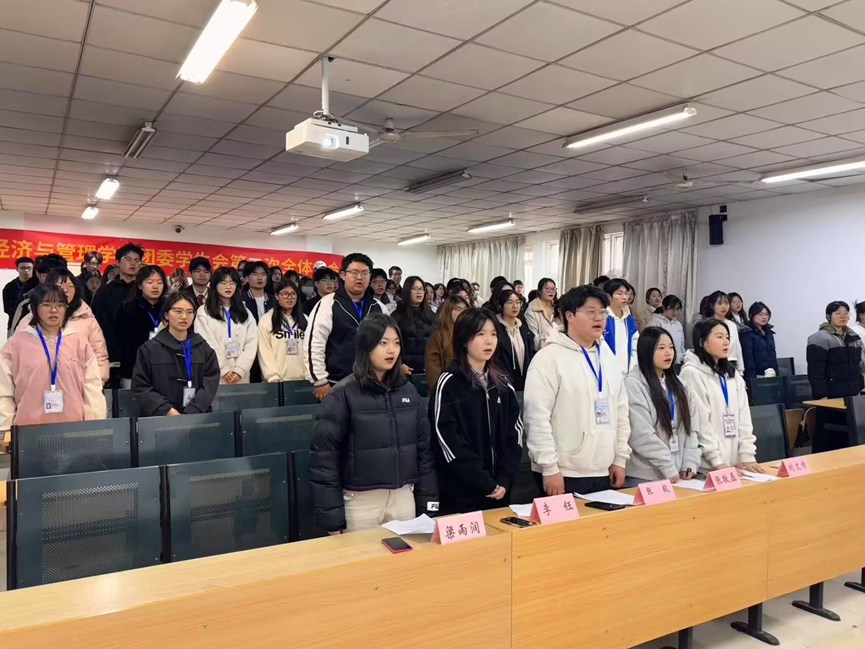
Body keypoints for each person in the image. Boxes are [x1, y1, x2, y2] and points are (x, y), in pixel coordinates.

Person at [310, 313, 438, 534]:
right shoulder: (342, 395)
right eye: (383, 343)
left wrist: (429, 503)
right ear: (366, 346)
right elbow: (324, 461)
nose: (391, 350)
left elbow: (424, 453)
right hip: (360, 502)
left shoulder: (409, 393)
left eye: (396, 343)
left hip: (403, 497)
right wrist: (332, 519)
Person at [524, 285, 631, 495]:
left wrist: (620, 458)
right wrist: (549, 467)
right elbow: (536, 417)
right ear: (570, 316)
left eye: (602, 312)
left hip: (603, 467)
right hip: (563, 471)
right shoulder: (548, 358)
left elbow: (621, 409)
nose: (598, 318)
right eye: (590, 311)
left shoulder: (607, 356)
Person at [430, 308, 522, 515]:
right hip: (462, 494)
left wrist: (504, 479)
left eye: (493, 334)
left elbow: (515, 433)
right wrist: (484, 482)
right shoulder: (449, 383)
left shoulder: (502, 383)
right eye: (480, 334)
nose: (489, 341)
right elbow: (448, 441)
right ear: (464, 339)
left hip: (501, 492)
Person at [0, 284, 106, 436]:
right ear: (34, 308)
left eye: (60, 305)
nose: (54, 310)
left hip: (74, 429)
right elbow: (4, 391)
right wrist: (4, 428)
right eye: (46, 304)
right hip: (28, 431)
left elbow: (92, 388)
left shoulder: (79, 342)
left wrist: (95, 424)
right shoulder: (16, 344)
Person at [680, 319, 761, 473]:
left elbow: (744, 417)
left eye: (727, 337)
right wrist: (716, 461)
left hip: (735, 465)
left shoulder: (732, 374)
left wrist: (747, 454)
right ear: (702, 341)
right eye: (719, 337)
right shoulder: (691, 373)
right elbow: (701, 422)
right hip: (707, 467)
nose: (726, 342)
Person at [625, 327, 701, 486]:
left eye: (671, 347)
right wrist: (668, 466)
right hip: (645, 476)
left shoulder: (680, 385)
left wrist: (690, 462)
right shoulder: (634, 384)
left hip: (678, 475)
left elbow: (692, 427)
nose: (668, 353)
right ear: (646, 351)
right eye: (661, 348)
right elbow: (641, 435)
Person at [305, 253, 386, 401]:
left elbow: (389, 342)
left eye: (365, 273)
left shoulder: (379, 307)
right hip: (336, 384)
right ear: (342, 275)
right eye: (354, 272)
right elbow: (314, 344)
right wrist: (319, 380)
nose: (360, 277)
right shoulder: (328, 304)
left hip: (374, 383)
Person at [131, 292, 220, 417]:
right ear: (166, 315)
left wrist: (194, 410)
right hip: (160, 418)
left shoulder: (203, 348)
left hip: (197, 417)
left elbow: (211, 382)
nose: (184, 316)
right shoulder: (149, 349)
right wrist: (167, 411)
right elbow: (140, 386)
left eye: (189, 312)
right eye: (178, 311)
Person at [16, 268, 109, 384]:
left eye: (70, 286)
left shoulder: (87, 319)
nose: (65, 290)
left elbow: (99, 355)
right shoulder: (31, 319)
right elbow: (16, 355)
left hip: (78, 386)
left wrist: (95, 384)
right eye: (60, 285)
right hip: (37, 385)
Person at [195, 268, 258, 385]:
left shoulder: (245, 312)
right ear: (215, 285)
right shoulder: (204, 311)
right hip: (214, 375)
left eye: (232, 283)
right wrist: (223, 368)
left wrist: (240, 370)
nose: (228, 287)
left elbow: (251, 343)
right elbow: (205, 342)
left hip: (241, 377)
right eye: (223, 283)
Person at [114, 265, 167, 389]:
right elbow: (119, 340)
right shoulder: (127, 308)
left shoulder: (169, 308)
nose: (155, 286)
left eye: (159, 282)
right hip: (133, 370)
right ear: (139, 285)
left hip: (164, 370)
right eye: (150, 282)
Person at [92, 243, 142, 362]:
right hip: (112, 351)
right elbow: (99, 322)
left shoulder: (144, 290)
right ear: (118, 262)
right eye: (128, 259)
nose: (133, 263)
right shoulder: (105, 292)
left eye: (137, 260)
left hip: (141, 350)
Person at [807, 301, 865, 400]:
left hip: (854, 392)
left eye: (846, 313)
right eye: (838, 313)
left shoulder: (853, 337)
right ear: (828, 317)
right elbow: (816, 371)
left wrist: (860, 386)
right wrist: (821, 395)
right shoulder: (819, 338)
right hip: (832, 394)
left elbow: (858, 364)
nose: (843, 316)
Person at [257, 278, 307, 383]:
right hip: (276, 380)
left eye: (293, 294)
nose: (289, 297)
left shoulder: (306, 319)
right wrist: (272, 376)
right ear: (276, 296)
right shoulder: (267, 319)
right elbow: (264, 350)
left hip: (304, 379)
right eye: (285, 294)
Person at [8, 253, 69, 333]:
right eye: (47, 276)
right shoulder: (28, 301)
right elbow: (17, 332)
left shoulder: (73, 299)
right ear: (38, 274)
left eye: (57, 277)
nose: (53, 281)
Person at [392, 276, 436, 375]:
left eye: (421, 289)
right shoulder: (397, 316)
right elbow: (392, 345)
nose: (419, 292)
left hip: (428, 370)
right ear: (407, 291)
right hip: (404, 371)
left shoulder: (432, 316)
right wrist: (399, 365)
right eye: (415, 289)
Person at [425, 294, 469, 390]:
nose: (463, 312)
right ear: (448, 311)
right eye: (458, 309)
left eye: (465, 309)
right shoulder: (438, 335)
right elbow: (433, 371)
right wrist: (443, 390)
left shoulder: (471, 334)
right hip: (447, 389)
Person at [494, 289, 535, 391]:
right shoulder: (495, 330)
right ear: (501, 306)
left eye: (518, 302)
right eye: (510, 302)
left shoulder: (524, 330)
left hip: (525, 384)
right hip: (504, 384)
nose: (515, 306)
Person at [700, 291, 743, 375]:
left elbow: (737, 347)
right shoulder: (706, 325)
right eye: (719, 303)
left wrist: (741, 370)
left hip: (732, 362)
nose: (724, 306)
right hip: (714, 363)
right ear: (712, 305)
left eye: (726, 303)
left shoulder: (732, 325)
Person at [603, 278, 639, 378]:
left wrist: (632, 369)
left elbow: (635, 345)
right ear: (608, 296)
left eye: (626, 293)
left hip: (627, 372)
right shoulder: (602, 318)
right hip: (607, 373)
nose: (624, 297)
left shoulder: (629, 319)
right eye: (619, 294)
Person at [741, 302, 778, 379]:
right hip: (757, 375)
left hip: (771, 373)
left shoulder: (769, 333)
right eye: (761, 314)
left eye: (766, 314)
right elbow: (748, 358)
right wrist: (752, 378)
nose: (764, 317)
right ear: (752, 315)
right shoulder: (747, 333)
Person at [525, 277, 561, 349]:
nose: (551, 291)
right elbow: (534, 337)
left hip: (559, 347)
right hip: (541, 349)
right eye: (547, 288)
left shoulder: (558, 307)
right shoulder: (532, 309)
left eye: (553, 289)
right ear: (539, 291)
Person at [648, 295, 686, 364]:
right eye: (672, 308)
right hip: (662, 361)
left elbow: (681, 346)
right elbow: (650, 344)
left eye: (677, 309)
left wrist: (683, 357)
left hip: (677, 361)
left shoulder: (678, 324)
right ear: (663, 307)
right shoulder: (655, 322)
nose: (675, 312)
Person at [3, 256, 35, 328]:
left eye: (29, 268)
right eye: (23, 268)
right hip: (15, 324)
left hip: (34, 325)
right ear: (17, 269)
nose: (26, 270)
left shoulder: (38, 286)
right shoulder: (9, 287)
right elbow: (7, 309)